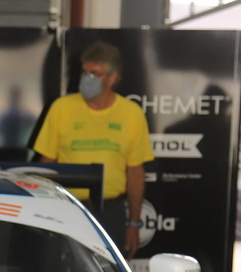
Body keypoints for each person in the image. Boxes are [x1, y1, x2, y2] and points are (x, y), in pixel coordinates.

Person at [32, 40, 154, 257]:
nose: (86, 78)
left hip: (111, 212)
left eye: (95, 74)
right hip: (67, 207)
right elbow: (46, 164)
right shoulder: (61, 108)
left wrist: (134, 223)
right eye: (84, 72)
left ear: (112, 78)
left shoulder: (131, 114)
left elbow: (135, 172)